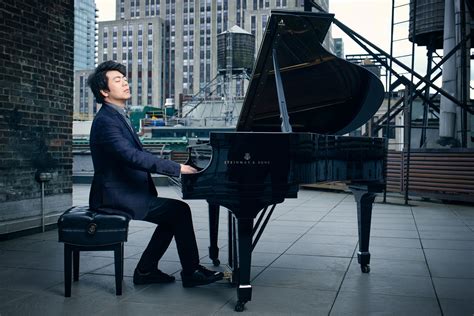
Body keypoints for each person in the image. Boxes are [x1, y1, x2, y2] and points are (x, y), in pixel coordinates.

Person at [87, 60, 223, 287]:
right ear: (104, 91)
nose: (125, 83)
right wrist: (177, 168)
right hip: (113, 197)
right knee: (178, 212)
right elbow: (131, 156)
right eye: (118, 80)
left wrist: (170, 165)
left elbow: (136, 154)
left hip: (122, 191)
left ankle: (146, 270)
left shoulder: (117, 115)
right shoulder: (106, 121)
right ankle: (189, 272)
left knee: (175, 214)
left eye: (125, 79)